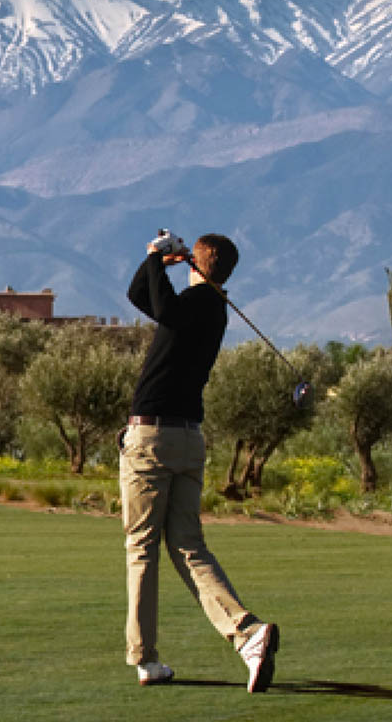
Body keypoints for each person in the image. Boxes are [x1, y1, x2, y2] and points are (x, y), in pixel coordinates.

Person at [119, 232, 278, 692]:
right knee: (188, 546)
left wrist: (154, 256)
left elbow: (165, 308)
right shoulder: (207, 308)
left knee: (142, 547)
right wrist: (156, 265)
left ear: (199, 262)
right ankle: (249, 635)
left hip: (153, 437)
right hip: (186, 441)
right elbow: (139, 295)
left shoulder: (199, 303)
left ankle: (144, 658)